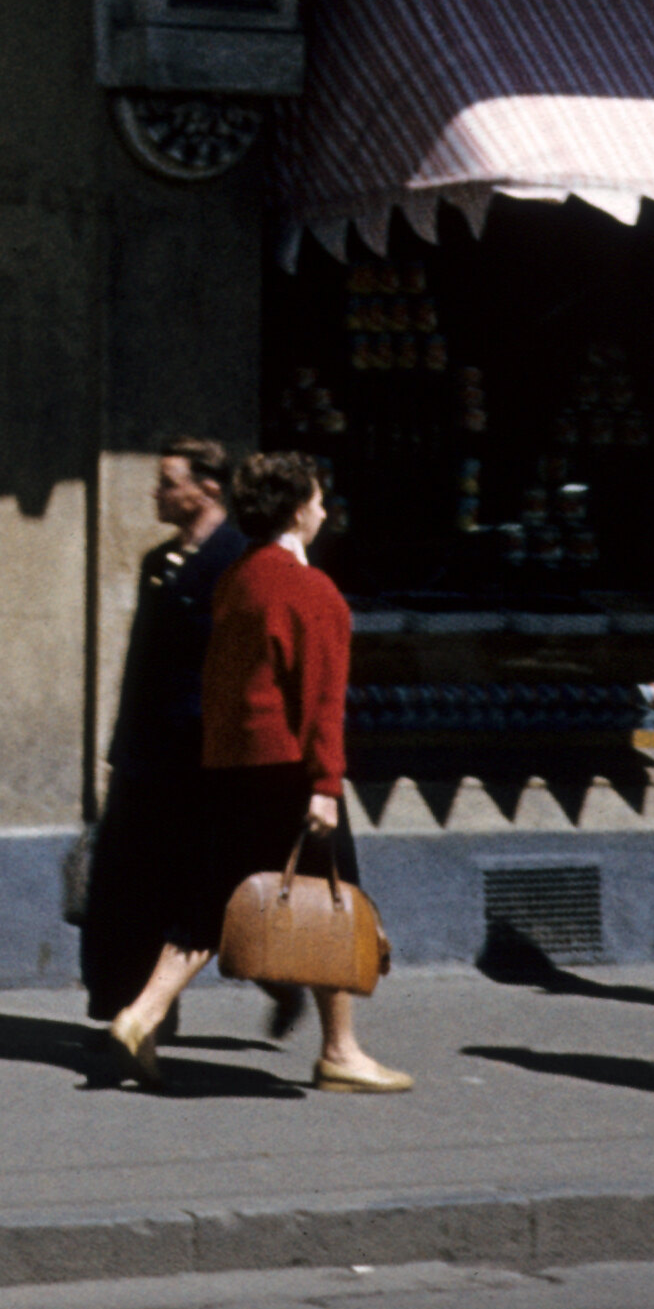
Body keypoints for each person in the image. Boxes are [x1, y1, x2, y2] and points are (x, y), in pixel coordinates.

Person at [97, 448, 409, 1095]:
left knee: (209, 898)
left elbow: (219, 681)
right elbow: (321, 700)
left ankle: (142, 1011)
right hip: (292, 770)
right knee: (334, 903)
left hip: (232, 765)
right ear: (298, 510)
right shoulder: (310, 591)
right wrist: (325, 785)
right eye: (318, 501)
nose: (323, 511)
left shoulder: (237, 578)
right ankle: (339, 1051)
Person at [79, 438, 254, 1022]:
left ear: (207, 489)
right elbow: (141, 665)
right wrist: (120, 748)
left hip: (202, 755)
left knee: (199, 884)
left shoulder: (238, 558)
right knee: (125, 883)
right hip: (148, 754)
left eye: (167, 482)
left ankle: (277, 981)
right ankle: (124, 1007)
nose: (156, 493)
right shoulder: (159, 562)